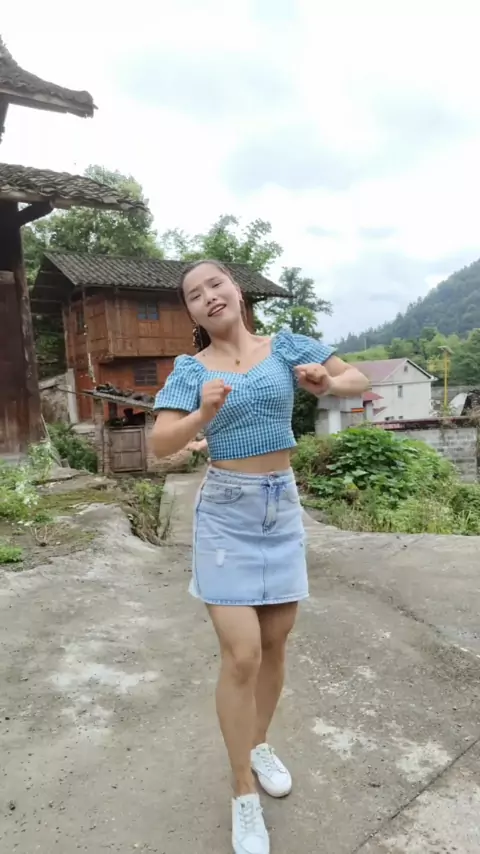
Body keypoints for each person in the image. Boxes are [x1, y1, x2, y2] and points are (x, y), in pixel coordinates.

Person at [150, 260, 369, 854]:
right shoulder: (191, 369)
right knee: (242, 653)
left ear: (236, 290)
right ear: (191, 312)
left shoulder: (287, 346)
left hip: (281, 507)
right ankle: (242, 789)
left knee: (275, 643)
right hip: (226, 513)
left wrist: (327, 385)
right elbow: (160, 442)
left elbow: (356, 379)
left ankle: (259, 743)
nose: (208, 296)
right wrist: (202, 415)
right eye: (194, 294)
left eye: (215, 284)